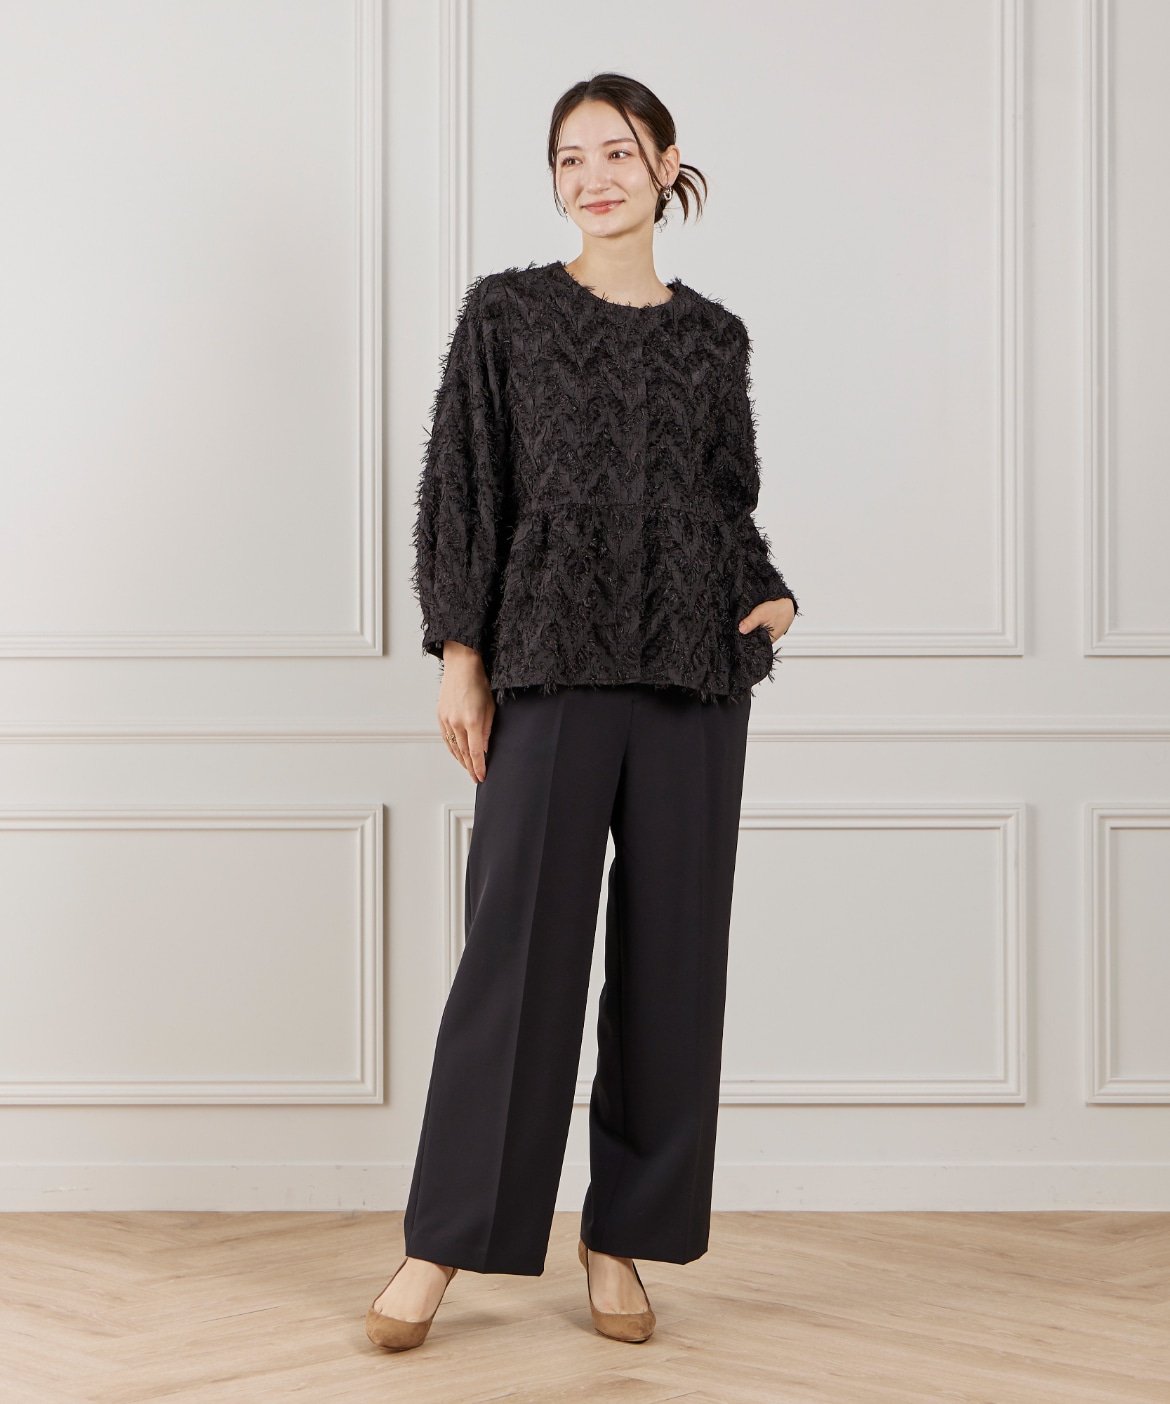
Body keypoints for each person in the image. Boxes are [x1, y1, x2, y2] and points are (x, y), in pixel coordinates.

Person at [366, 71, 799, 1353]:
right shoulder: (506, 314)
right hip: (548, 665)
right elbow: (465, 484)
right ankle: (442, 1242)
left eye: (618, 151)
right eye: (570, 157)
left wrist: (767, 591)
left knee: (673, 965)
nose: (593, 176)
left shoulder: (715, 337)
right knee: (516, 965)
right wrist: (461, 653)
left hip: (693, 675)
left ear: (666, 164)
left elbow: (726, 501)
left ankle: (622, 1239)